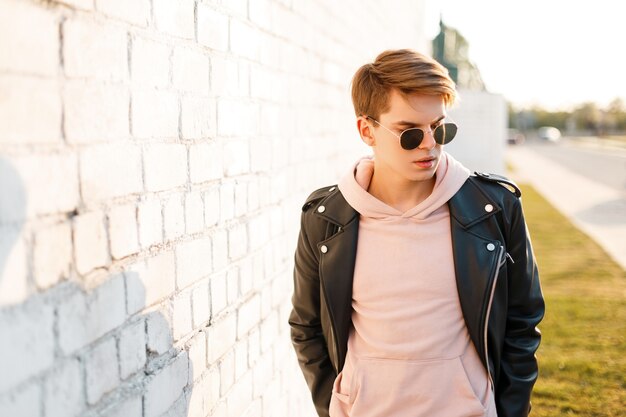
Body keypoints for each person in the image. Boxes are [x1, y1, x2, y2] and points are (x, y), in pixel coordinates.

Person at [288, 49, 545, 417]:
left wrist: (509, 409)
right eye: (410, 133)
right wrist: (334, 405)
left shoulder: (495, 209)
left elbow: (523, 319)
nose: (430, 144)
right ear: (367, 130)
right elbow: (306, 325)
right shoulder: (326, 218)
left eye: (440, 128)